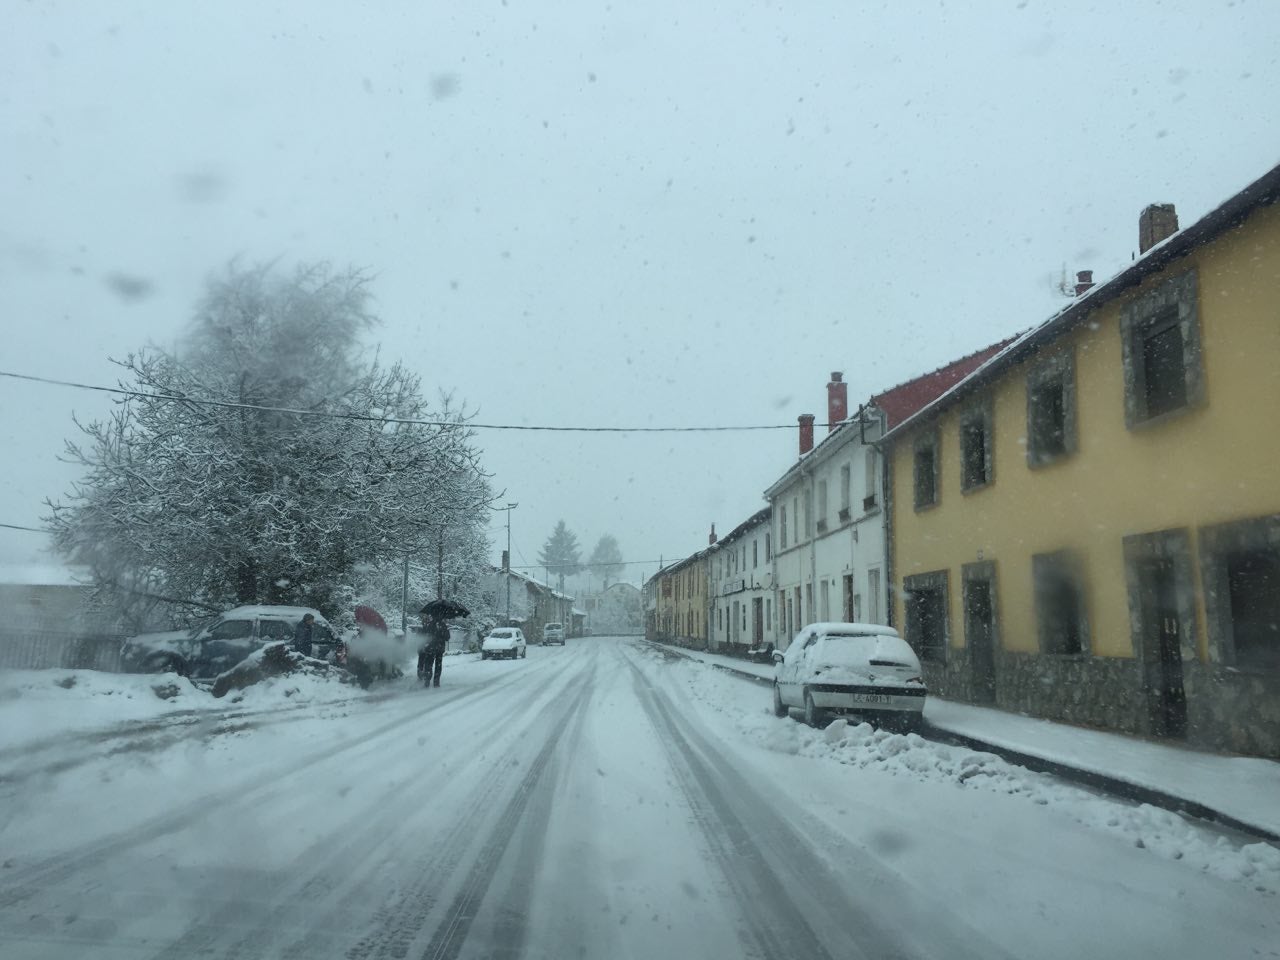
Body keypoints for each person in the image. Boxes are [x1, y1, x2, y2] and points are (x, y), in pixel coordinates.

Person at [418, 613, 450, 687]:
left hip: (430, 648)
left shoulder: (429, 625)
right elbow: (447, 638)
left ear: (432, 616)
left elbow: (424, 635)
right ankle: (436, 682)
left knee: (428, 664)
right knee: (438, 665)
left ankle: (427, 680)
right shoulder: (443, 625)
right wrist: (445, 631)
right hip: (440, 649)